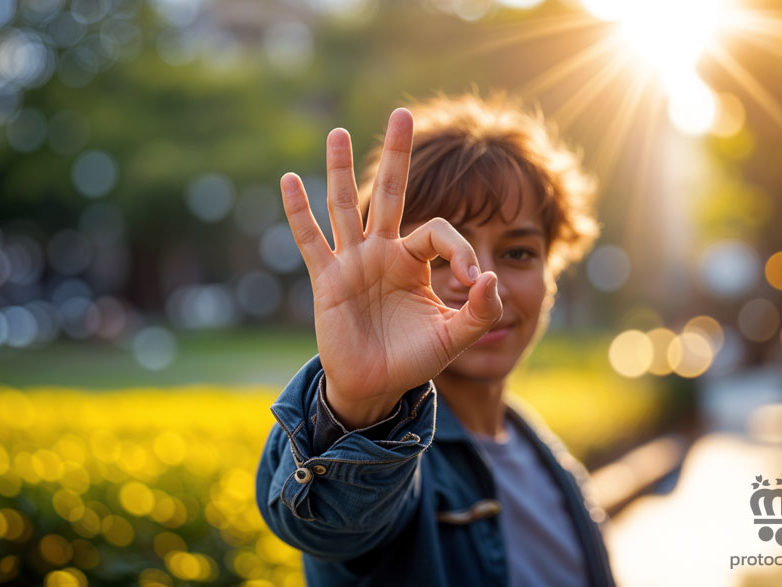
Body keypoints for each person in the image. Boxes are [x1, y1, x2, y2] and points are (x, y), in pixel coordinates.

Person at [255, 91, 615, 586]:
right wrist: (357, 411)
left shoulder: (543, 452)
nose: (482, 283)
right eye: (440, 255)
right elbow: (332, 522)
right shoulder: (394, 457)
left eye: (518, 253)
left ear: (553, 271)